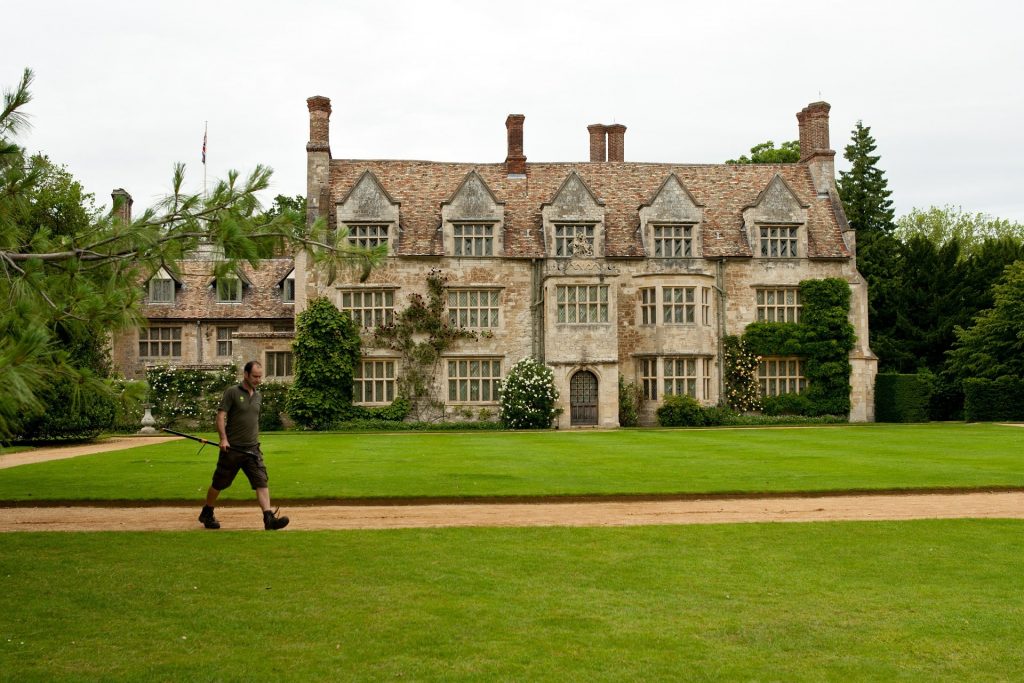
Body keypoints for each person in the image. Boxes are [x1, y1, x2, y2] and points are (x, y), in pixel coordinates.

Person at [198, 360, 289, 530]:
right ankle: (207, 512)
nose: (258, 380)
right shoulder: (232, 392)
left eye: (260, 376)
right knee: (219, 483)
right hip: (232, 449)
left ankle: (268, 519)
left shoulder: (258, 395)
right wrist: (223, 439)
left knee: (262, 482)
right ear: (245, 374)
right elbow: (220, 417)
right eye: (255, 376)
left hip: (252, 449)